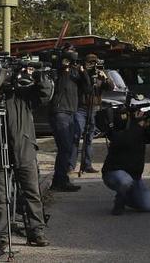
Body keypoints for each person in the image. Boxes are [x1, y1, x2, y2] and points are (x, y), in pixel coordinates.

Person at [0, 65, 54, 248]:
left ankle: (36, 232)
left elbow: (45, 94)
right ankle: (1, 235)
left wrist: (38, 74)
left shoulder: (22, 94)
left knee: (31, 192)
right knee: (0, 197)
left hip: (24, 149)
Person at [102, 110, 150, 215]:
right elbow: (126, 141)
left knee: (147, 206)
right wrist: (137, 125)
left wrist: (147, 123)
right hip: (114, 173)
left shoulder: (140, 129)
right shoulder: (121, 128)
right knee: (125, 181)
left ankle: (126, 197)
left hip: (134, 177)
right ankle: (119, 201)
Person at [49, 46, 90, 192]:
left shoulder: (74, 73)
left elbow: (87, 88)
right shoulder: (59, 70)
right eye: (71, 53)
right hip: (60, 112)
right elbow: (60, 73)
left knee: (71, 145)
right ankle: (59, 181)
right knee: (65, 147)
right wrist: (67, 60)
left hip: (71, 112)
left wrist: (83, 71)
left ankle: (60, 180)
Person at [70, 53, 114, 174]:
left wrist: (105, 78)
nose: (92, 65)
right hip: (81, 108)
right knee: (76, 135)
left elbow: (111, 87)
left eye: (94, 63)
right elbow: (84, 87)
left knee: (89, 138)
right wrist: (84, 73)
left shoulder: (100, 74)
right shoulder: (80, 73)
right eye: (89, 63)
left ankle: (87, 165)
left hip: (94, 108)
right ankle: (71, 165)